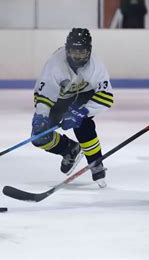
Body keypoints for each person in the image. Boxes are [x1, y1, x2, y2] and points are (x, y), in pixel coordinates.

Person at [30, 28, 114, 188]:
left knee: (83, 125)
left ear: (89, 50)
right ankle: (69, 149)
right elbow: (44, 96)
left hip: (84, 95)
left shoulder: (95, 65)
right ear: (67, 50)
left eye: (82, 52)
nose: (77, 56)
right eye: (74, 52)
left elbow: (106, 97)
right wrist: (41, 117)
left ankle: (96, 162)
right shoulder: (55, 64)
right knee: (39, 137)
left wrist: (82, 112)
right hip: (59, 99)